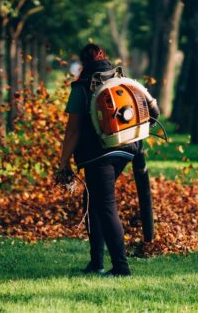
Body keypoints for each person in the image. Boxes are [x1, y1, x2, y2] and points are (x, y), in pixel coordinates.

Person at [58, 44, 140, 277]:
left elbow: (72, 131)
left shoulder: (82, 87)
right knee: (92, 200)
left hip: (99, 154)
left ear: (83, 63)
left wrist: (63, 163)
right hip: (126, 149)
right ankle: (96, 263)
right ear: (104, 56)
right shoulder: (120, 79)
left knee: (105, 206)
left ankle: (122, 268)